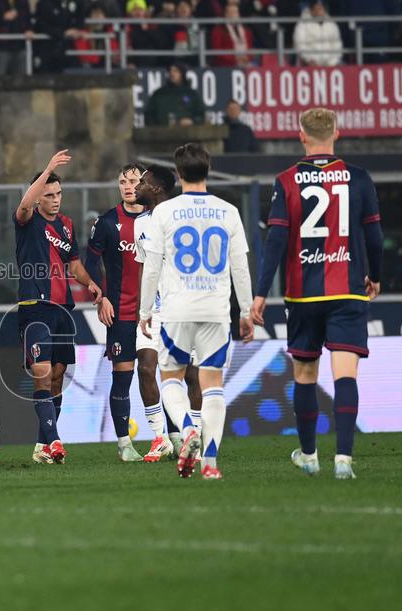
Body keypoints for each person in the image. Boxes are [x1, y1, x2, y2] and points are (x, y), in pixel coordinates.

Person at [251, 108, 383, 480]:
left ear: (302, 136)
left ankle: (309, 456)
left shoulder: (287, 180)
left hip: (304, 296)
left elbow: (275, 240)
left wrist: (261, 294)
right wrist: (375, 275)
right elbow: (374, 236)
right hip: (348, 291)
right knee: (346, 376)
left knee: (305, 374)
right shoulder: (359, 179)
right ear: (337, 134)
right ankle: (343, 459)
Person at [139, 143, 254, 480]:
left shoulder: (165, 213)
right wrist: (246, 310)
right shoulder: (228, 211)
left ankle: (187, 429)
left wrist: (146, 310)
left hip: (176, 308)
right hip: (217, 309)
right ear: (208, 169)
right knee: (213, 385)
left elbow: (152, 268)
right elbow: (240, 267)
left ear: (178, 173)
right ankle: (211, 462)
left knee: (171, 377)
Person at [14, 151, 103, 465]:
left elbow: (74, 263)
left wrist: (91, 284)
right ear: (39, 197)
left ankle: (42, 446)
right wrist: (48, 169)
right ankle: (55, 440)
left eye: (58, 194)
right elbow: (24, 205)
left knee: (58, 374)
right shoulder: (27, 220)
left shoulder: (65, 224)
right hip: (35, 306)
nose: (54, 199)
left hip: (64, 309)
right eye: (48, 194)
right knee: (42, 372)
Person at [132, 165, 202, 462]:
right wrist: (143, 309)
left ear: (156, 188)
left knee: (192, 375)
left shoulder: (183, 216)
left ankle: (196, 436)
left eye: (143, 182)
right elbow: (143, 268)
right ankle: (160, 438)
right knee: (146, 368)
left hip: (185, 309)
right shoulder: (140, 223)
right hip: (154, 312)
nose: (137, 186)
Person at [84, 163, 146, 461]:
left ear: (144, 183)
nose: (128, 186)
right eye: (123, 181)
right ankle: (124, 444)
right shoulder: (107, 222)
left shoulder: (158, 219)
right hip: (121, 312)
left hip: (155, 312)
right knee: (123, 376)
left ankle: (171, 437)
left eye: (133, 180)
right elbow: (91, 263)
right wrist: (101, 298)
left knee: (161, 373)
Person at [144, 63, 205, 127]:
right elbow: (149, 115)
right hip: (162, 134)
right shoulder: (159, 93)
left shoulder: (191, 94)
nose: (172, 74)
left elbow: (201, 115)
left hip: (187, 133)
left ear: (182, 74)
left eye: (175, 71)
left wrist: (192, 121)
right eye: (170, 71)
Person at [293, 0, 342, 66]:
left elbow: (337, 45)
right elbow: (300, 45)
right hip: (310, 64)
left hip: (330, 65)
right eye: (316, 9)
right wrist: (309, 60)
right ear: (311, 10)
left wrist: (332, 63)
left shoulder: (332, 24)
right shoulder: (302, 24)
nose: (319, 11)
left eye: (321, 8)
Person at [210, 1, 253, 67]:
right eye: (231, 12)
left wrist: (246, 58)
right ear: (226, 14)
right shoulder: (218, 30)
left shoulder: (246, 30)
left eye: (235, 12)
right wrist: (234, 59)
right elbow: (217, 52)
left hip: (244, 63)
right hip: (226, 64)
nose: (234, 15)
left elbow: (250, 49)